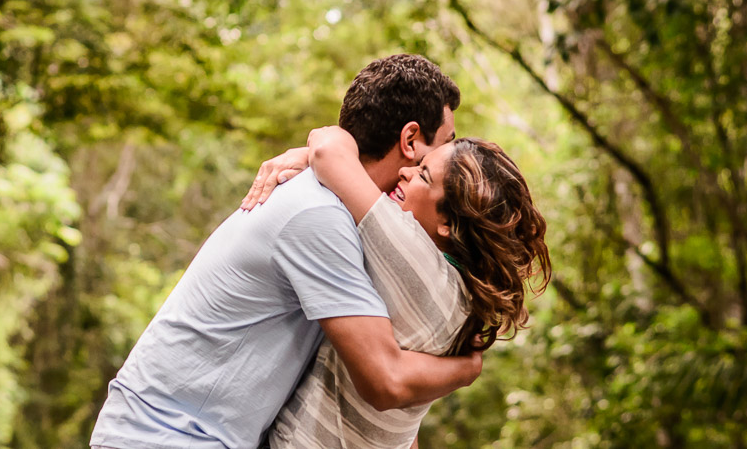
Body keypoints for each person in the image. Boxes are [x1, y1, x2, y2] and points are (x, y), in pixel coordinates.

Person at [90, 55, 478, 449]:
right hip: (165, 436)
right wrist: (466, 368)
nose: (446, 160)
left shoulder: (342, 214)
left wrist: (316, 152)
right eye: (444, 145)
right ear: (410, 140)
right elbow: (386, 379)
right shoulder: (319, 217)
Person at [247, 126, 552, 449]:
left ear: (447, 223)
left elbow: (328, 150)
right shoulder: (465, 298)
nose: (405, 172)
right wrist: (466, 370)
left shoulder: (415, 255)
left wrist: (304, 154)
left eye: (423, 175)